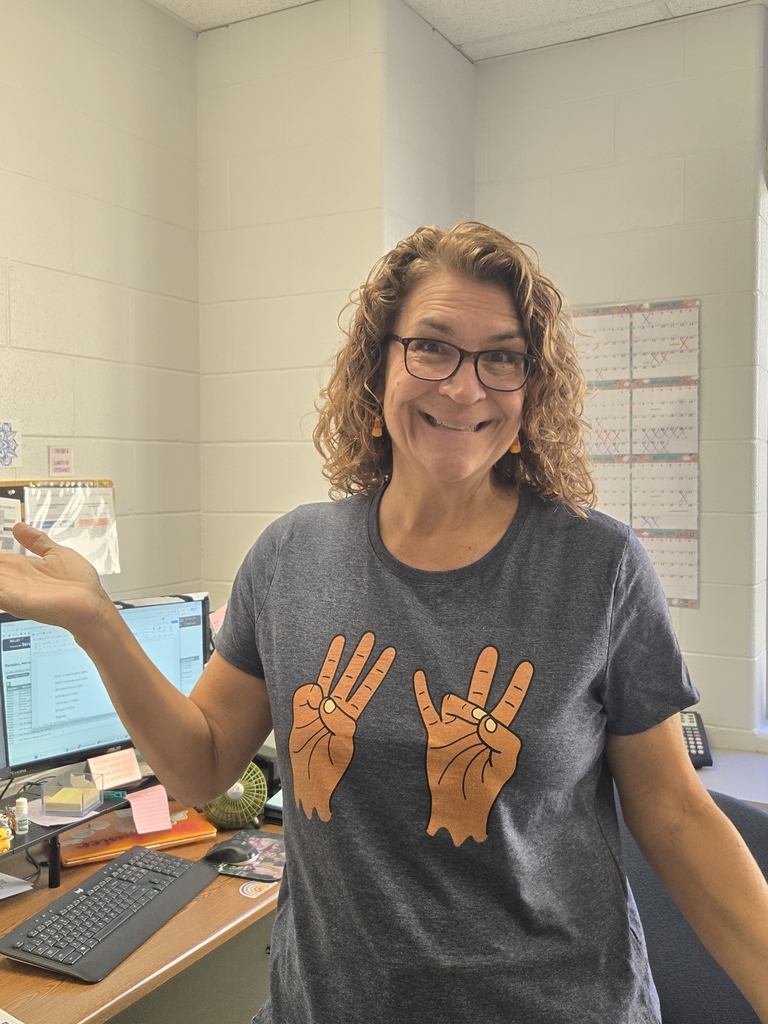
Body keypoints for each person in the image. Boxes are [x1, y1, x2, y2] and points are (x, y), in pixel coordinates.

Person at [0, 221, 767, 1024]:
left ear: (532, 387)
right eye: (432, 346)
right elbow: (198, 769)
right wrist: (95, 620)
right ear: (378, 368)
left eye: (502, 356)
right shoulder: (291, 556)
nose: (465, 388)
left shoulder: (598, 566)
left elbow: (677, 816)